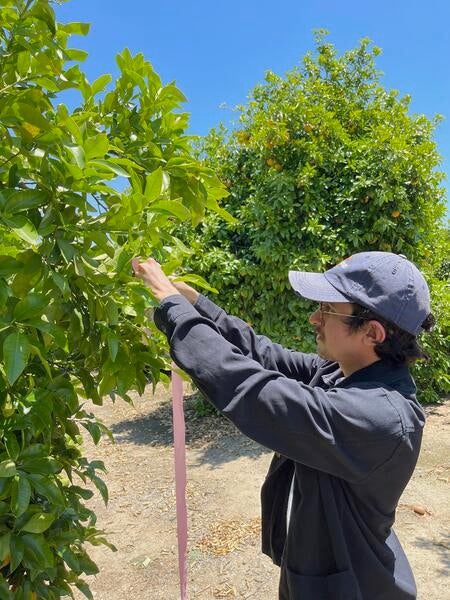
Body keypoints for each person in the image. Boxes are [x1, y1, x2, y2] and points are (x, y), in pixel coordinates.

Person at [132, 251, 435, 600]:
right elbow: (262, 354)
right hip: (327, 569)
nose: (313, 318)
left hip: (350, 589)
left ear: (372, 332)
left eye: (327, 309)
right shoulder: (345, 372)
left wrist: (171, 307)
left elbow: (250, 389)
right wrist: (197, 304)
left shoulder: (377, 418)